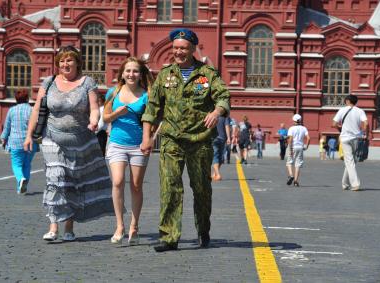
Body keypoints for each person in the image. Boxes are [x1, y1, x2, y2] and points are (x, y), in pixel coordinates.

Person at [140, 28, 230, 252]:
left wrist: (217, 112)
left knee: (201, 189)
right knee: (169, 188)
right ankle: (169, 236)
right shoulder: (165, 74)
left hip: (199, 140)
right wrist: (147, 138)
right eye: (175, 48)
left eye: (183, 48)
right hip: (171, 140)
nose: (178, 52)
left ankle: (203, 230)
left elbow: (223, 97)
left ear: (192, 49)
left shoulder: (207, 74)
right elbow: (152, 107)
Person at [23, 45, 114, 242]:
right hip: (52, 138)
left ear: (77, 63)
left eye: (69, 60)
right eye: (62, 61)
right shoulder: (49, 82)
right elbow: (37, 110)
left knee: (72, 183)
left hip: (80, 141)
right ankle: (53, 226)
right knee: (56, 179)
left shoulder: (87, 82)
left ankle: (69, 227)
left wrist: (93, 121)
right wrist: (29, 135)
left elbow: (94, 107)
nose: (65, 64)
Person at [103, 57, 154, 245]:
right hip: (116, 143)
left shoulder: (147, 95)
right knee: (117, 182)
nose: (131, 74)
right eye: (128, 71)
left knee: (136, 186)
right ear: (122, 74)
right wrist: (118, 113)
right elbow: (106, 118)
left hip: (138, 146)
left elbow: (152, 120)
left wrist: (148, 140)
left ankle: (134, 226)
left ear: (140, 74)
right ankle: (119, 226)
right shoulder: (113, 92)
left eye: (135, 71)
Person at [1, 90, 38, 194]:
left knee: (16, 165)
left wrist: (3, 138)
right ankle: (21, 188)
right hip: (30, 142)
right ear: (27, 98)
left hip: (15, 142)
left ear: (16, 99)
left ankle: (21, 179)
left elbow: (7, 127)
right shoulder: (32, 110)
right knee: (27, 164)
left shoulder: (11, 110)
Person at [332, 95, 368, 191]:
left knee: (349, 161)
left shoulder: (342, 110)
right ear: (356, 102)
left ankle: (354, 184)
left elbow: (334, 124)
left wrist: (340, 128)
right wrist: (363, 132)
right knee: (352, 161)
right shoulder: (360, 111)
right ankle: (345, 183)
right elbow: (366, 123)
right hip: (356, 138)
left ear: (347, 101)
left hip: (345, 138)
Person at [286, 114, 310, 187]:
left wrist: (290, 148)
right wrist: (306, 146)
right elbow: (308, 138)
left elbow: (290, 139)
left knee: (289, 162)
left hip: (293, 146)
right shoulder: (304, 128)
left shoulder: (291, 128)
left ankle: (291, 175)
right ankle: (296, 181)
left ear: (294, 121)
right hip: (300, 147)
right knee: (298, 164)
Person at [211, 116, 231, 181]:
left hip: (213, 138)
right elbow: (227, 126)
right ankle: (215, 174)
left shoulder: (212, 114)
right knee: (220, 156)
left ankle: (217, 174)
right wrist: (228, 137)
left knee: (215, 156)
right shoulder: (225, 116)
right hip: (222, 138)